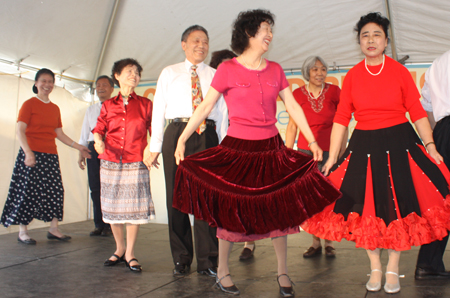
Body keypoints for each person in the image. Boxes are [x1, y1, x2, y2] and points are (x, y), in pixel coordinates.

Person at [172, 10, 341, 297]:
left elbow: (293, 107)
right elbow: (204, 107)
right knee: (230, 211)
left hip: (271, 148)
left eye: (270, 30)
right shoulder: (227, 69)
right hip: (237, 149)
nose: (270, 35)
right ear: (249, 33)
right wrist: (182, 139)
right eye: (265, 29)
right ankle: (223, 270)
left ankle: (283, 272)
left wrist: (311, 140)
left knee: (278, 211)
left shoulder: (275, 69)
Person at [301, 13, 450, 294]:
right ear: (359, 42)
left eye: (376, 35)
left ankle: (392, 268)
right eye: (365, 35)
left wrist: (430, 146)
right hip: (364, 148)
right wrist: (332, 157)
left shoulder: (399, 71)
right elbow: (342, 119)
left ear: (385, 41)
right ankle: (376, 267)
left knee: (398, 207)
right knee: (365, 207)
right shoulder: (354, 75)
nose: (371, 40)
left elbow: (417, 113)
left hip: (400, 143)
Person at [148, 25, 228, 278]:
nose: (201, 45)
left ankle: (208, 261)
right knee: (177, 197)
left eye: (205, 41)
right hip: (176, 133)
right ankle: (182, 258)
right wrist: (154, 147)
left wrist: (225, 146)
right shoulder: (169, 73)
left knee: (207, 199)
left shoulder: (216, 74)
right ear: (183, 44)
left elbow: (224, 113)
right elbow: (158, 110)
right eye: (196, 40)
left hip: (208, 135)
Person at [1, 68, 91, 244]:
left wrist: (79, 146)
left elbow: (59, 133)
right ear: (36, 83)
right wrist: (28, 153)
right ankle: (22, 232)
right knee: (26, 192)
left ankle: (54, 228)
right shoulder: (29, 104)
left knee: (55, 191)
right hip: (31, 153)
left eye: (50, 81)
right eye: (43, 81)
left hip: (50, 155)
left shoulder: (55, 108)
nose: (47, 85)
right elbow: (20, 130)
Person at [93, 58, 155, 272]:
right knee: (113, 207)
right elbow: (99, 127)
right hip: (110, 160)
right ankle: (119, 249)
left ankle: (130, 252)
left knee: (133, 208)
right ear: (117, 76)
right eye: (129, 71)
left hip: (136, 160)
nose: (134, 75)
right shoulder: (108, 105)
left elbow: (154, 131)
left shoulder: (146, 104)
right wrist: (98, 140)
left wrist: (150, 150)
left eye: (137, 72)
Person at [285, 56, 347, 258]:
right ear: (307, 73)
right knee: (311, 199)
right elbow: (292, 126)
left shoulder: (335, 91)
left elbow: (342, 123)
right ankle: (315, 241)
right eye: (315, 70)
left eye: (323, 69)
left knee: (328, 197)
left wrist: (342, 150)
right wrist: (287, 154)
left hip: (331, 153)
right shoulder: (296, 94)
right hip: (305, 154)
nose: (320, 73)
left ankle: (329, 241)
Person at [210, 49, 257, 261]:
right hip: (220, 150)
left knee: (246, 196)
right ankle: (221, 250)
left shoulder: (245, 89)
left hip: (244, 149)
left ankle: (249, 242)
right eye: (222, 66)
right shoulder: (212, 92)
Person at [415, 49, 450, 280]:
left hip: (442, 130)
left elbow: (425, 106)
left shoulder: (438, 63)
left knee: (443, 199)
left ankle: (428, 262)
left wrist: (435, 138)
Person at [78, 75, 114, 237]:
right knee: (95, 186)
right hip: (93, 148)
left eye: (104, 85)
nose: (101, 88)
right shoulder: (91, 109)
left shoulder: (118, 106)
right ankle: (99, 224)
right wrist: (82, 151)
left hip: (111, 147)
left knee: (111, 187)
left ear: (112, 88)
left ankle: (111, 225)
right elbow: (85, 133)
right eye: (98, 85)